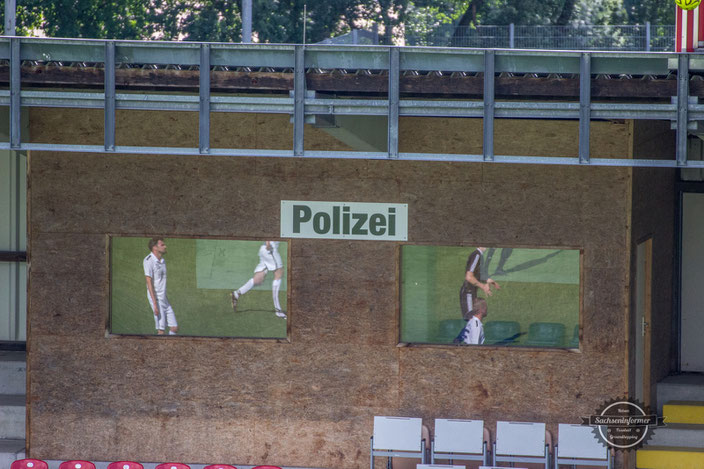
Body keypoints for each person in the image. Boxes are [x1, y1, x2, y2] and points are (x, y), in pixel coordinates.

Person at [231, 241, 286, 318]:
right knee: (279, 273)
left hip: (264, 250)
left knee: (258, 279)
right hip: (270, 248)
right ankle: (278, 311)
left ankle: (237, 293)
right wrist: (268, 243)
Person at [143, 237, 178, 335]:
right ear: (155, 247)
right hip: (156, 299)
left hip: (164, 298)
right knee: (161, 331)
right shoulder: (148, 261)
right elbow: (148, 282)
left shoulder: (162, 261)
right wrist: (154, 304)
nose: (165, 246)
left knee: (174, 328)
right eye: (162, 245)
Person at [459, 246, 500, 320]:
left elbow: (477, 274)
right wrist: (483, 286)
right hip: (468, 292)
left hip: (471, 292)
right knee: (471, 318)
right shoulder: (477, 255)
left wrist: (488, 280)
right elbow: (469, 277)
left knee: (474, 318)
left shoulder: (479, 255)